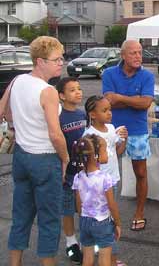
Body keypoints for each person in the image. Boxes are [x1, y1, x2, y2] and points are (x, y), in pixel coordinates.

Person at [5, 36, 69, 266]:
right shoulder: (48, 91)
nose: (61, 62)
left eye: (62, 58)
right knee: (49, 219)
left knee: (20, 215)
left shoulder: (18, 80)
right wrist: (65, 158)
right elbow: (55, 134)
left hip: (22, 157)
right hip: (44, 158)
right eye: (56, 59)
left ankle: (14, 263)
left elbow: (4, 111)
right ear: (40, 61)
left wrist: (19, 124)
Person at [102, 40, 154, 231]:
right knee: (106, 174)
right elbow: (106, 103)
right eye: (133, 53)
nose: (138, 56)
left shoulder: (147, 76)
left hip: (137, 131)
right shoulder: (109, 73)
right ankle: (105, 213)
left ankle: (139, 213)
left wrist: (120, 98)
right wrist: (135, 101)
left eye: (140, 53)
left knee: (140, 173)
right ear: (122, 55)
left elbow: (146, 104)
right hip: (111, 132)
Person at [83, 95, 128, 266]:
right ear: (92, 114)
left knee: (101, 221)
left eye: (110, 109)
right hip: (100, 185)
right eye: (104, 110)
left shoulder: (110, 128)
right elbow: (87, 164)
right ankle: (111, 259)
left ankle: (105, 255)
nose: (109, 113)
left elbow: (117, 152)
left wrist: (124, 138)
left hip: (112, 179)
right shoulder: (89, 135)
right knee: (108, 223)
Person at [72, 134, 122, 266]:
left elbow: (78, 203)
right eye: (105, 150)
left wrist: (82, 217)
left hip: (84, 220)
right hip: (102, 222)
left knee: (87, 258)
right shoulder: (105, 178)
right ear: (95, 156)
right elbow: (112, 205)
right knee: (104, 258)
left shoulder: (78, 177)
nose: (108, 153)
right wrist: (117, 223)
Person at [56, 77, 86, 264]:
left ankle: (86, 242)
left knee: (85, 208)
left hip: (84, 173)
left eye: (79, 88)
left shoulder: (83, 114)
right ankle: (71, 243)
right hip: (67, 174)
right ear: (61, 96)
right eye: (72, 90)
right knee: (67, 209)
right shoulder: (58, 118)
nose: (78, 92)